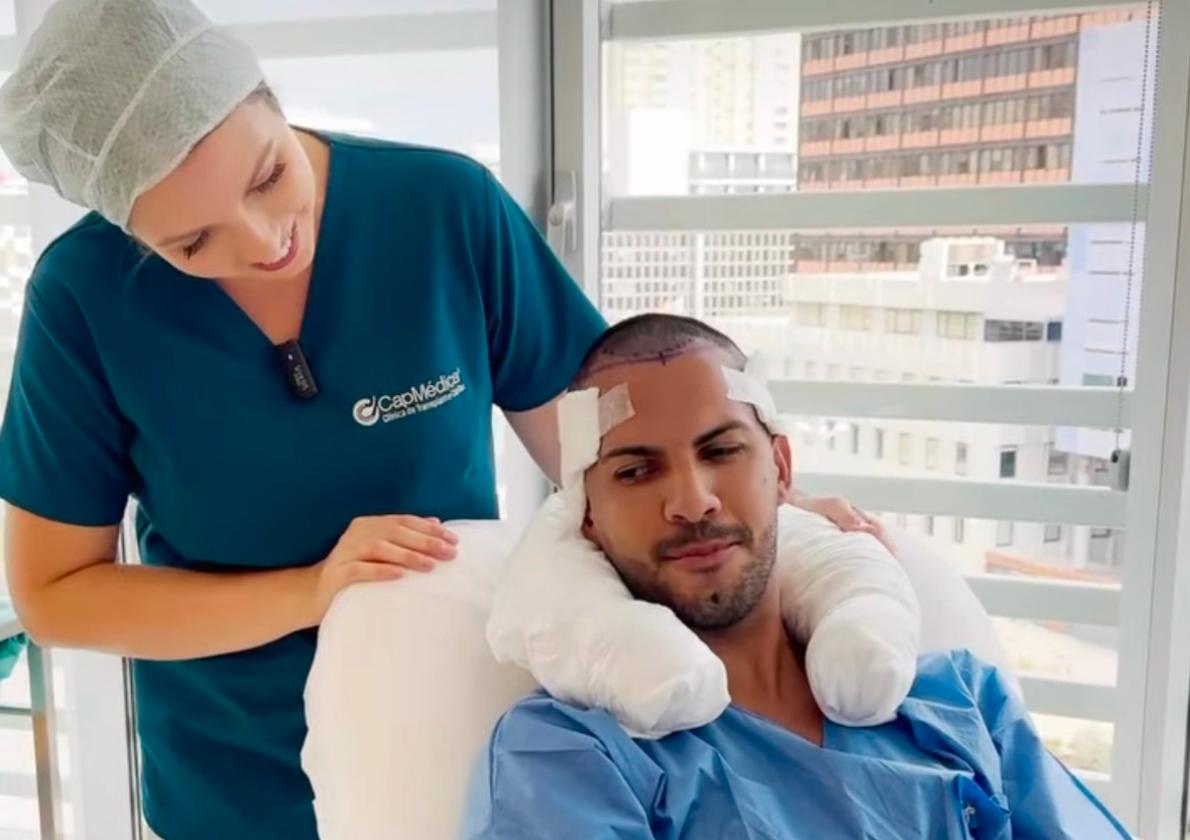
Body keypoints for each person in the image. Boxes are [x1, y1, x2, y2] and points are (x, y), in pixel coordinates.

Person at [0, 2, 876, 837]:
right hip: (234, 797)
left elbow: (607, 449)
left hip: (452, 747)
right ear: (129, 234)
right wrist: (311, 591)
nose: (264, 241)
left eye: (269, 175)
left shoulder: (443, 210)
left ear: (269, 98)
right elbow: (56, 594)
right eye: (192, 244)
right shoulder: (83, 303)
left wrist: (774, 523)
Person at [462, 314, 1130, 839]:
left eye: (721, 451)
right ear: (586, 517)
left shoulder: (961, 703)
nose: (693, 500)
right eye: (636, 471)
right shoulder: (566, 756)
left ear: (781, 469)